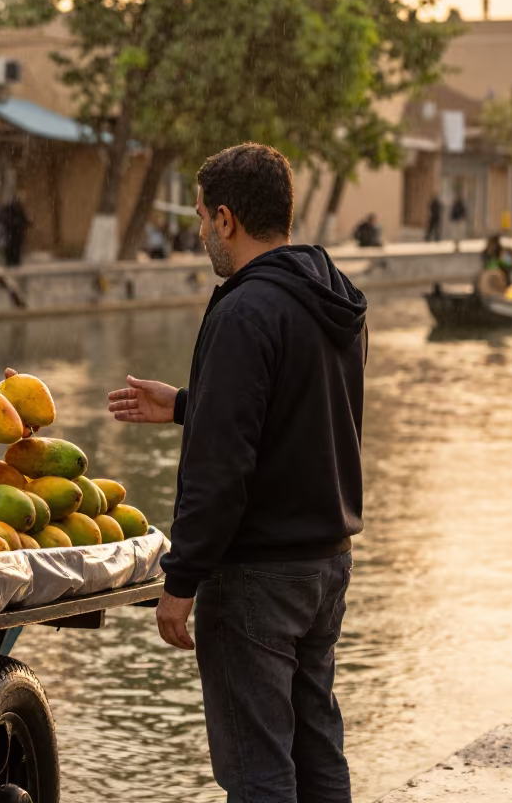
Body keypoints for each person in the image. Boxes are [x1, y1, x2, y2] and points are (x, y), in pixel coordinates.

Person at [106, 143, 366, 803]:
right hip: (325, 562)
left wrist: (182, 579)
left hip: (256, 574)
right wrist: (190, 406)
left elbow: (222, 467)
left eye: (200, 220)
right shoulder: (330, 297)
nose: (200, 237)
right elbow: (297, 415)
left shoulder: (245, 310)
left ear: (226, 219)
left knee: (256, 770)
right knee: (316, 750)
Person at [2, 193, 31, 267]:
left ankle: (13, 262)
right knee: (12, 249)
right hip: (12, 233)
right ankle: (12, 262)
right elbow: (6, 219)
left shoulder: (19, 209)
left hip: (16, 234)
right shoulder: (12, 209)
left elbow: (24, 220)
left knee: (15, 249)